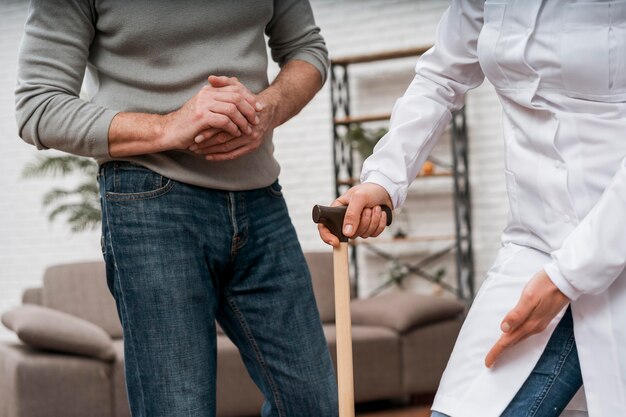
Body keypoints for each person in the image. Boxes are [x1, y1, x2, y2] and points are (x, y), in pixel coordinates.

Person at [15, 1, 338, 416]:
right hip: (149, 205)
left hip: (262, 200)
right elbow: (37, 106)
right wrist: (169, 127)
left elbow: (307, 49)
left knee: (314, 405)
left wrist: (268, 109)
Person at [319, 1, 626, 416]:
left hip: (614, 244)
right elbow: (440, 77)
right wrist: (384, 180)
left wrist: (568, 278)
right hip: (533, 244)